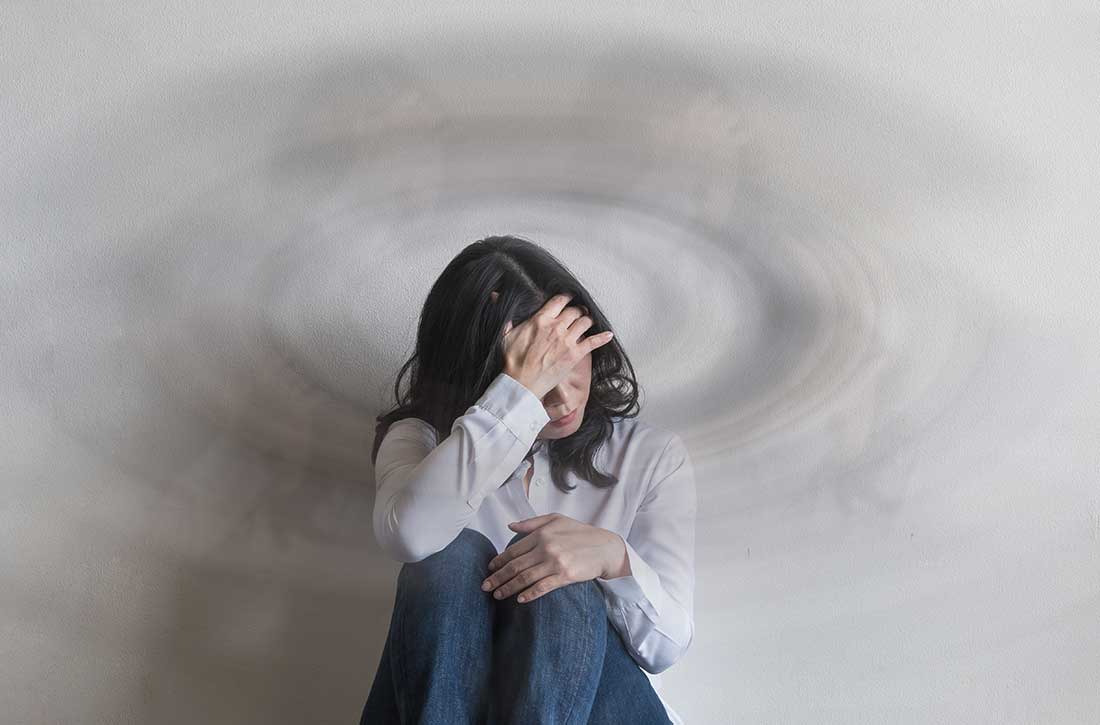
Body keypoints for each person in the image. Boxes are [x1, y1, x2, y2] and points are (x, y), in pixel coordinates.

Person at [360, 235, 696, 724]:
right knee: (450, 557)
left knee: (561, 582)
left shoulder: (650, 455)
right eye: (539, 370)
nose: (561, 397)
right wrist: (514, 399)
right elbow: (408, 536)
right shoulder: (419, 439)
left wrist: (611, 557)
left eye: (569, 357)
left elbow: (665, 649)